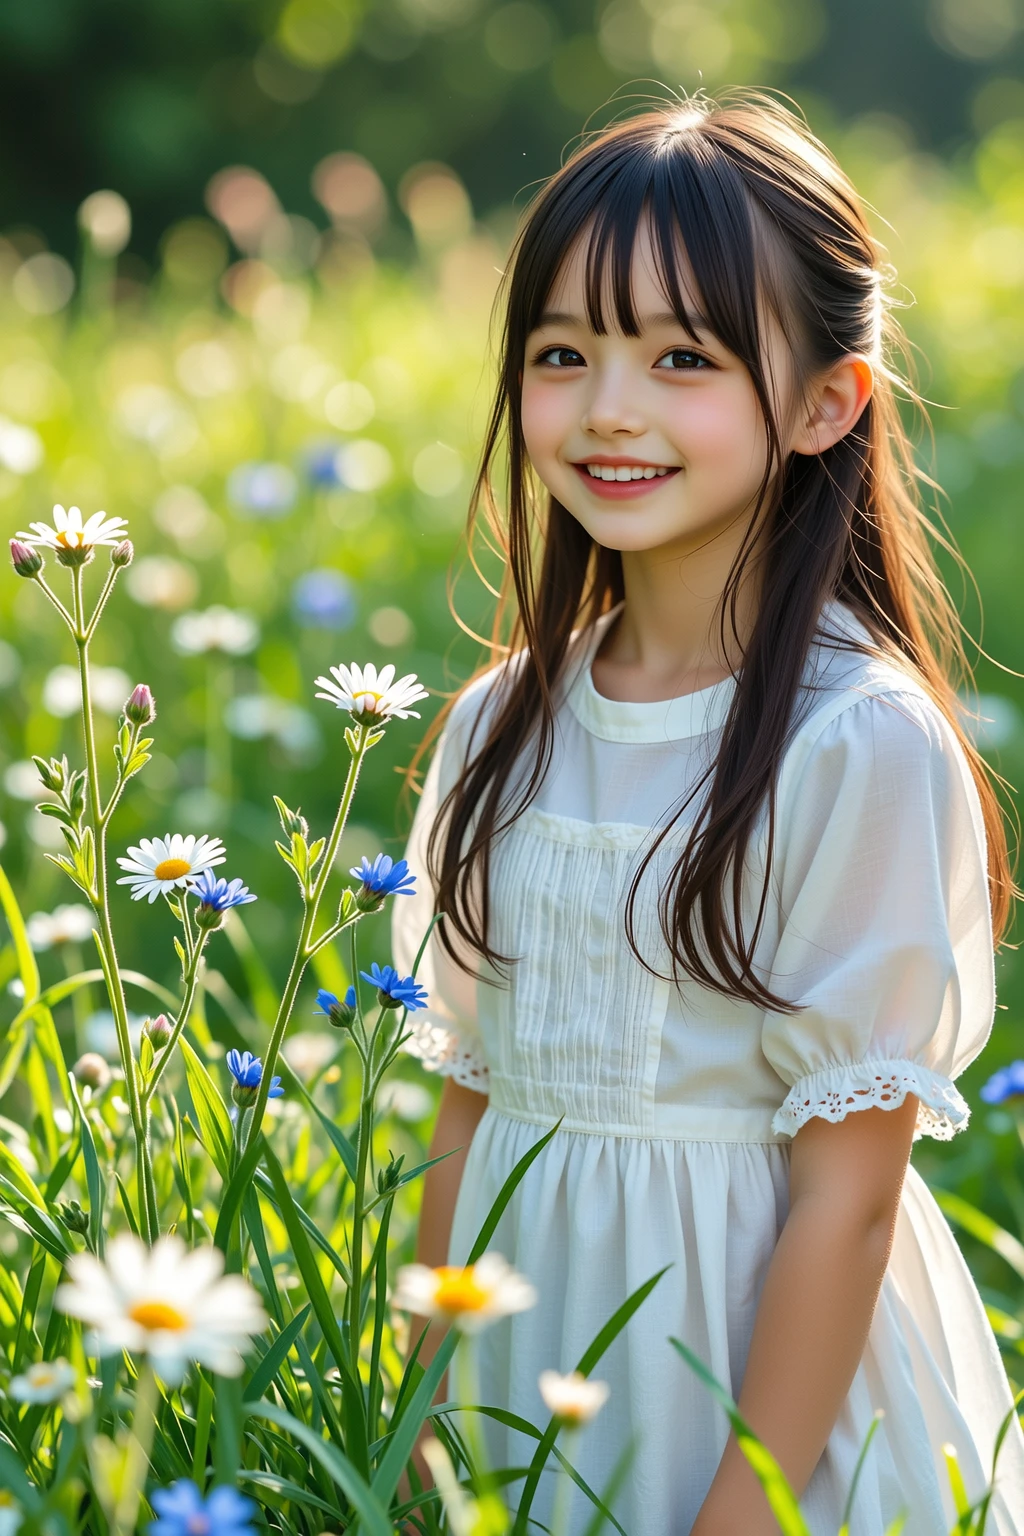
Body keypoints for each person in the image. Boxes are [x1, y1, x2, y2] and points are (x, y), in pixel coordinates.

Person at [392, 92, 1024, 1534]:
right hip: (530, 1389)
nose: (610, 407)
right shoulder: (505, 724)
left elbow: (848, 1200)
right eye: (564, 355)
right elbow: (467, 1100)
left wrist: (742, 1515)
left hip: (771, 1428)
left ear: (824, 401)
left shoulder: (852, 739)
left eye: (683, 357)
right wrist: (419, 1427)